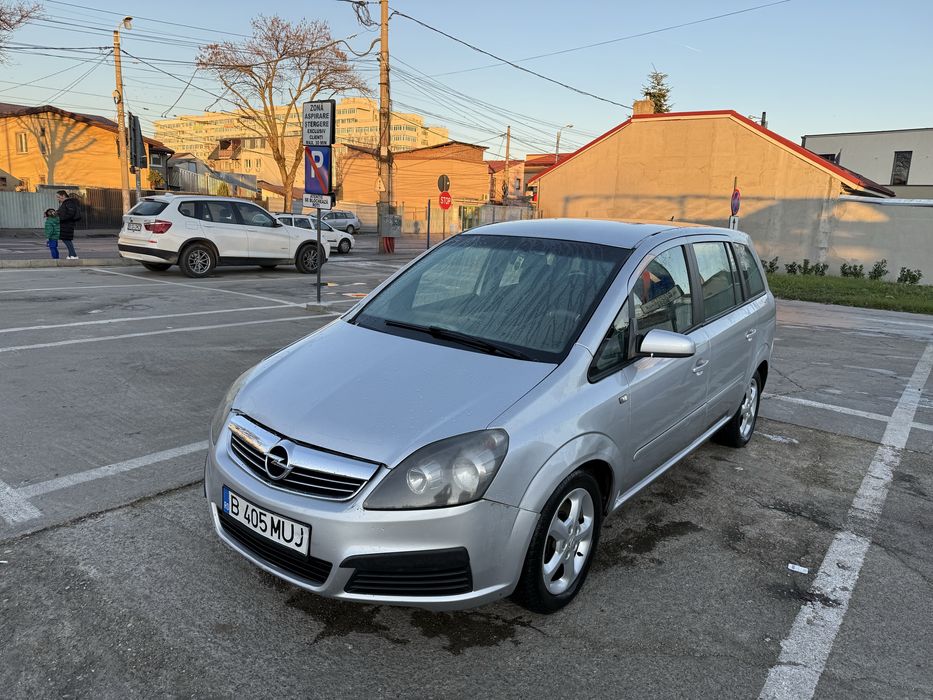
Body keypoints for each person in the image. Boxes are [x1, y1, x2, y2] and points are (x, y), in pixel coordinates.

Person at [55, 190, 80, 259]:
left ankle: (73, 255)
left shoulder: (69, 203)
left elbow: (70, 213)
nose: (58, 198)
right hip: (65, 224)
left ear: (63, 196)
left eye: (58, 197)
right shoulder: (65, 203)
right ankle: (71, 255)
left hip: (67, 224)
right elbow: (63, 212)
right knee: (66, 239)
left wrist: (60, 218)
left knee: (66, 239)